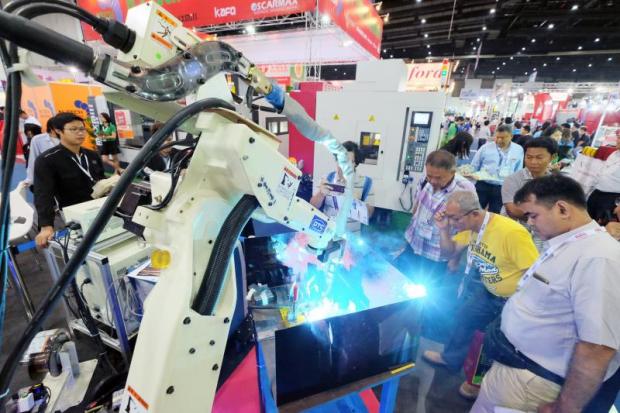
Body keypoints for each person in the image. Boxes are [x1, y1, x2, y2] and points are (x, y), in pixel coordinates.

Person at [472, 175, 620, 413]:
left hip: (533, 385)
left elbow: (597, 347)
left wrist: (565, 407)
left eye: (533, 215)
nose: (530, 223)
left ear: (562, 209)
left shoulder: (598, 257)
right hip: (518, 372)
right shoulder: (566, 244)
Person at [422, 190, 538, 399]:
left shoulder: (511, 232)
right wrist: (443, 230)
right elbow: (448, 252)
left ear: (474, 213)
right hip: (488, 290)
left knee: (493, 341)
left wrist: (521, 305)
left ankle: (478, 383)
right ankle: (450, 358)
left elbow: (534, 272)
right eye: (448, 217)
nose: (452, 222)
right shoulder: (471, 227)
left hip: (513, 299)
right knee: (464, 318)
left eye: (455, 218)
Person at [395, 150, 476, 282]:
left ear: (452, 173)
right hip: (414, 244)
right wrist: (408, 240)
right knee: (402, 282)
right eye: (430, 176)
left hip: (436, 254)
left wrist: (455, 259)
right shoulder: (424, 179)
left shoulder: (465, 189)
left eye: (438, 178)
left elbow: (467, 229)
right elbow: (416, 207)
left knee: (426, 293)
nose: (432, 181)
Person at [34, 113, 105, 248]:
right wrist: (46, 226)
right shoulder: (47, 160)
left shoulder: (92, 155)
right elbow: (43, 194)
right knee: (86, 250)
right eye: (73, 129)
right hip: (74, 215)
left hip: (101, 207)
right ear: (58, 131)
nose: (80, 133)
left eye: (82, 129)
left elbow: (100, 178)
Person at [310, 141, 374, 232]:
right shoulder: (327, 178)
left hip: (351, 238)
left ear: (355, 163)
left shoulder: (366, 182)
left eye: (348, 161)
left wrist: (354, 202)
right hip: (326, 235)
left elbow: (369, 214)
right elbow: (313, 206)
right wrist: (321, 194)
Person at [467, 125, 524, 213]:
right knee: (475, 210)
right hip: (483, 184)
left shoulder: (518, 150)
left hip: (503, 187)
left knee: (495, 212)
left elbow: (517, 169)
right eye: (497, 137)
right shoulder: (485, 148)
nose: (499, 140)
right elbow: (474, 165)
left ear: (511, 136)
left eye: (503, 138)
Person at [587, 130, 620, 225]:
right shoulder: (615, 154)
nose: (618, 140)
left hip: (612, 199)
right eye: (618, 137)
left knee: (602, 227)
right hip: (597, 193)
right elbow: (602, 172)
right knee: (587, 222)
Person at [25, 116, 60, 188]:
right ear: (51, 128)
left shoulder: (68, 138)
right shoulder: (38, 139)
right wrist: (30, 179)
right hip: (46, 178)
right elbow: (33, 160)